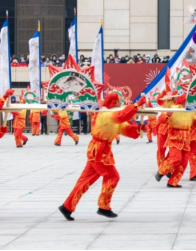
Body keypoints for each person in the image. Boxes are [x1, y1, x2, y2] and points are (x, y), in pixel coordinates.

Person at [58, 93, 145, 221]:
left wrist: (138, 129)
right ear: (114, 103)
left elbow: (127, 129)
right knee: (113, 176)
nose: (121, 104)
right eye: (119, 101)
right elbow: (122, 116)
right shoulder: (105, 114)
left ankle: (67, 207)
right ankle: (103, 206)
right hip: (99, 151)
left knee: (84, 181)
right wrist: (137, 105)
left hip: (99, 151)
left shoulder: (113, 116)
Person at [155, 94, 196, 188]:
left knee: (184, 162)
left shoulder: (191, 111)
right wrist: (167, 115)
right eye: (188, 101)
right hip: (175, 137)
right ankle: (161, 171)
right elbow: (161, 119)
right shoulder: (174, 108)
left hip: (186, 138)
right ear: (183, 101)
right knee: (176, 158)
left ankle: (172, 182)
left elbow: (195, 123)